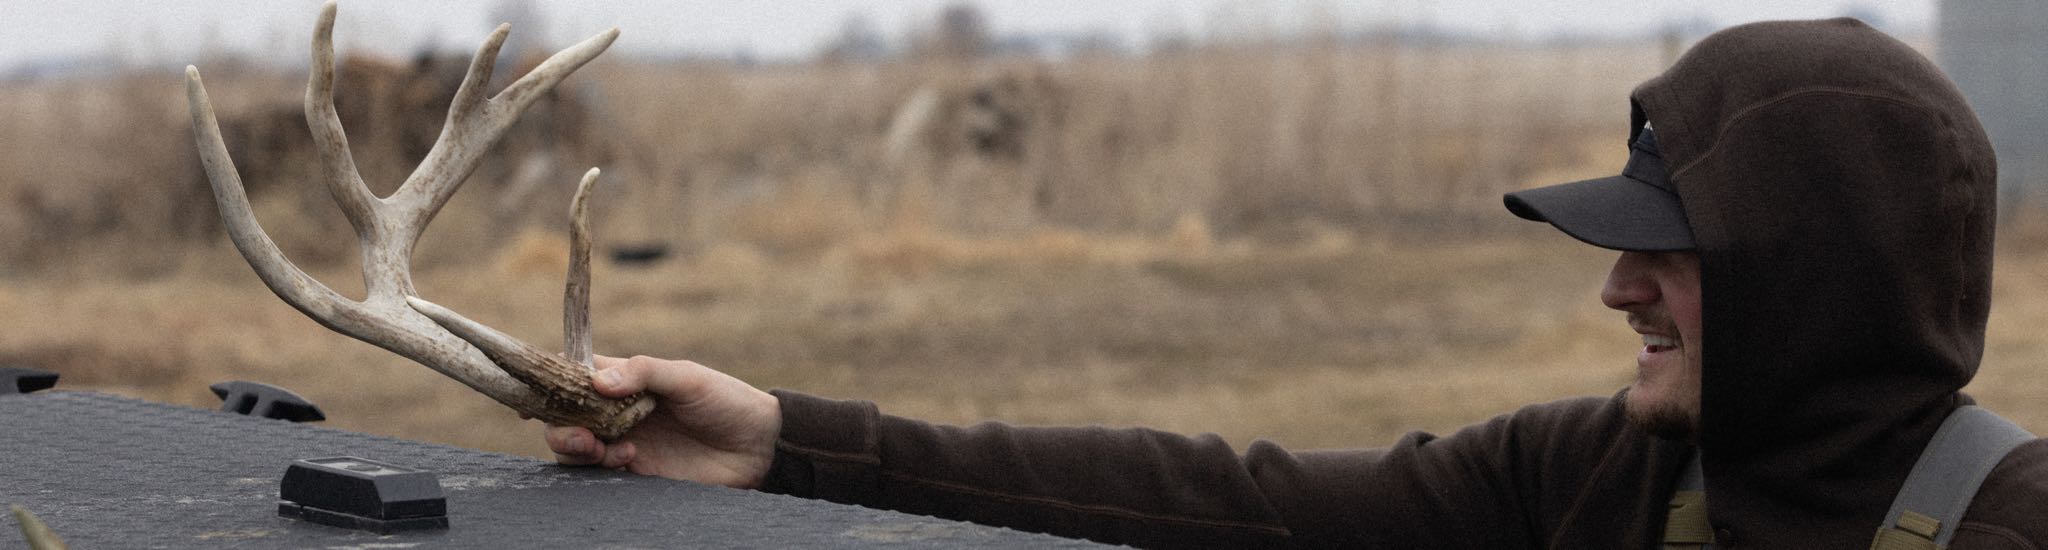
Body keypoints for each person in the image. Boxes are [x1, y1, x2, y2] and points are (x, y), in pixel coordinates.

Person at [546, 19, 2048, 548]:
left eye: (1676, 249)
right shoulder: (1592, 476)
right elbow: (1222, 500)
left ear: (1816, 277)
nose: (1620, 291)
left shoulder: (2010, 522)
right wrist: (787, 442)